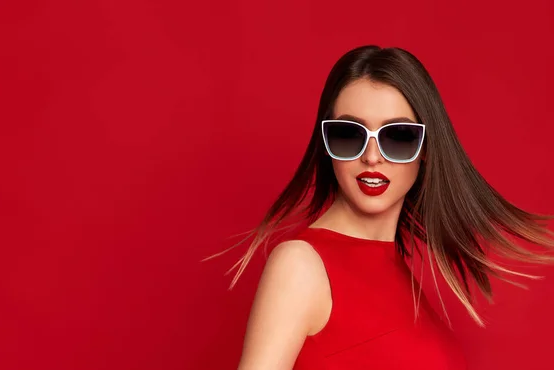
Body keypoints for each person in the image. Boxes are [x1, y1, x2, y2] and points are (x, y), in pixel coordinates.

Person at [214, 45, 554, 369]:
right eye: (349, 134)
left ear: (425, 149)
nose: (372, 157)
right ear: (327, 143)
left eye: (398, 137)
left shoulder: (401, 274)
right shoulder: (301, 266)